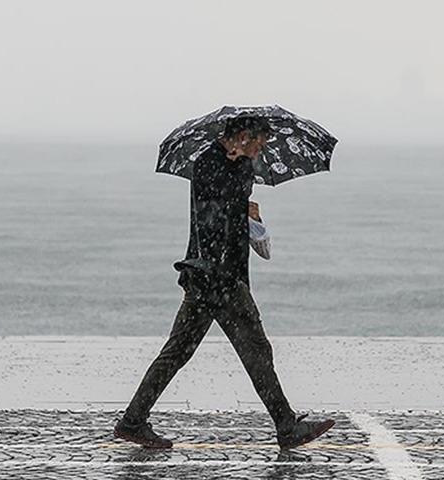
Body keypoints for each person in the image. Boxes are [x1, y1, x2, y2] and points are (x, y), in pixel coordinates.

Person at [115, 116, 335, 450]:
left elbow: (233, 207)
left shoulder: (242, 168)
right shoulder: (207, 163)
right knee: (255, 351)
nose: (262, 149)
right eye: (260, 142)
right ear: (244, 136)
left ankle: (132, 421)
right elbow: (214, 203)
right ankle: (287, 428)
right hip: (217, 278)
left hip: (215, 277)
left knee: (178, 352)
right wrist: (240, 191)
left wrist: (249, 208)